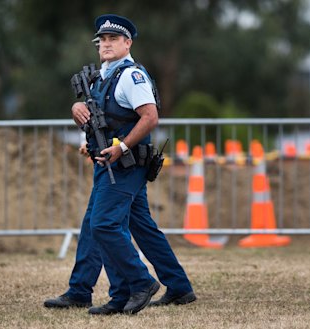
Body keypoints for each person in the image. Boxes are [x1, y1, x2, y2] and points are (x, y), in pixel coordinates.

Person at [44, 14, 196, 315]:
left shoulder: (130, 75)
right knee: (130, 227)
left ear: (128, 43)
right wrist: (79, 112)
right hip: (109, 163)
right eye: (102, 40)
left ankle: (137, 284)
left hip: (125, 164)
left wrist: (122, 146)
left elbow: (150, 117)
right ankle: (177, 287)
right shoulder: (102, 77)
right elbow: (99, 116)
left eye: (113, 39)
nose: (106, 44)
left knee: (103, 224)